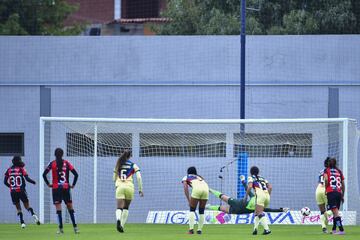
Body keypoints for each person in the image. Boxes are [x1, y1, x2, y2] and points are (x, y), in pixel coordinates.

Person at [42, 148, 79, 234]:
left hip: (56, 188)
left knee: (58, 209)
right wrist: (73, 185)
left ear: (55, 154)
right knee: (70, 207)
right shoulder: (67, 163)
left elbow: (44, 174)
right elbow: (76, 174)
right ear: (62, 154)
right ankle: (75, 228)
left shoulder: (52, 164)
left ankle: (61, 229)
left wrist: (48, 184)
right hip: (66, 187)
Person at [207, 175, 288, 214]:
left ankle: (209, 196)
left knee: (222, 202)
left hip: (239, 205)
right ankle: (209, 200)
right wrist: (281, 210)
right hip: (239, 208)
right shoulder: (260, 204)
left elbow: (247, 189)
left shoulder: (257, 200)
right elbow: (269, 210)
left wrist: (242, 181)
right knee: (222, 204)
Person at [4, 156, 40, 228]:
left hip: (13, 192)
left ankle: (22, 223)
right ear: (19, 161)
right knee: (27, 206)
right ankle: (33, 214)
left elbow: (5, 182)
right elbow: (27, 179)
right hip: (21, 190)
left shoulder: (9, 170)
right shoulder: (21, 169)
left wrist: (11, 187)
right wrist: (33, 182)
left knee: (18, 208)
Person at [113, 150, 143, 233]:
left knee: (119, 207)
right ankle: (121, 226)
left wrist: (116, 185)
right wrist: (140, 190)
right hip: (129, 187)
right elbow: (139, 178)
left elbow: (114, 177)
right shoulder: (134, 165)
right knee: (126, 207)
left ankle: (118, 220)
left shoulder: (118, 165)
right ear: (130, 156)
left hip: (119, 187)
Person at [244, 166, 271, 235]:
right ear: (258, 172)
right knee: (256, 212)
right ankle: (255, 229)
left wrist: (246, 196)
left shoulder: (250, 177)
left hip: (259, 194)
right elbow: (270, 187)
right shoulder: (263, 178)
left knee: (259, 212)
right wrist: (267, 195)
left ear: (250, 172)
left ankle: (267, 229)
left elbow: (250, 186)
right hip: (266, 195)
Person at [182, 166, 209, 234]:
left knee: (192, 209)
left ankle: (191, 230)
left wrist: (189, 200)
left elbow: (185, 188)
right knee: (201, 211)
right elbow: (203, 183)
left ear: (188, 172)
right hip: (206, 189)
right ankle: (199, 230)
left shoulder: (186, 177)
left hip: (197, 190)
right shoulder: (200, 177)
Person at [324, 157, 345, 235]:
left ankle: (341, 230)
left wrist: (326, 188)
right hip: (339, 193)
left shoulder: (326, 170)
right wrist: (343, 194)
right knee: (335, 211)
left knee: (335, 212)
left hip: (331, 192)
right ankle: (334, 229)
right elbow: (343, 184)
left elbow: (326, 180)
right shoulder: (339, 171)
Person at [315, 157, 333, 233]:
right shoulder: (332, 171)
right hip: (326, 189)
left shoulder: (321, 171)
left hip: (318, 189)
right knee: (332, 209)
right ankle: (326, 215)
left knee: (322, 211)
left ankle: (324, 227)